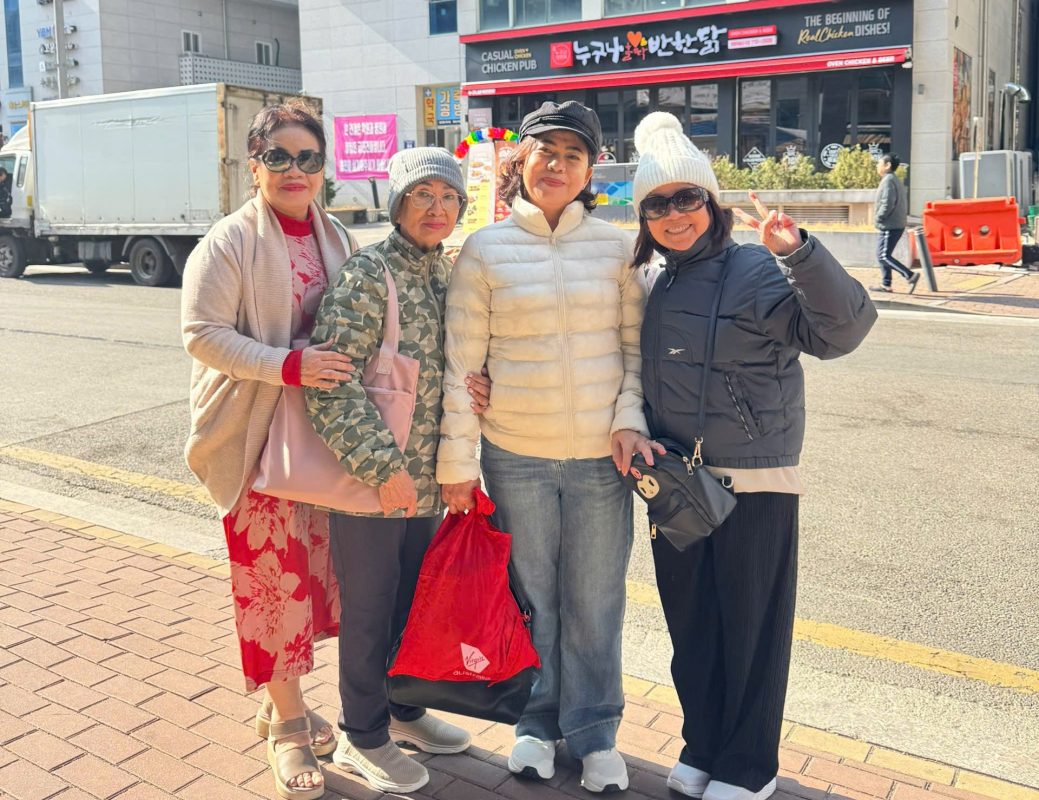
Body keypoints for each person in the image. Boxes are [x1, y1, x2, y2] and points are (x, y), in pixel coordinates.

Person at [630, 112, 877, 800]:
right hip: (676, 483)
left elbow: (842, 332)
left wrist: (798, 254)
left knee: (751, 629)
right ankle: (704, 746)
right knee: (693, 628)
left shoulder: (755, 268)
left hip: (756, 477)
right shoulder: (650, 279)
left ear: (710, 201)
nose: (674, 215)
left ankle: (749, 766)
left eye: (686, 197)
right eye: (656, 204)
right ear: (642, 216)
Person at [438, 101, 659, 794]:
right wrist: (457, 463)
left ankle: (594, 732)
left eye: (573, 154)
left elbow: (636, 352)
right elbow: (461, 365)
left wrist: (628, 418)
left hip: (600, 458)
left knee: (595, 600)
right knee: (530, 595)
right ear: (520, 162)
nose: (557, 165)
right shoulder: (485, 249)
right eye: (545, 151)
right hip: (515, 454)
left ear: (591, 170)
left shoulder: (618, 248)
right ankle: (534, 723)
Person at [182, 100, 358, 800]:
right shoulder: (228, 241)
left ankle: (283, 703)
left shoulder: (336, 236)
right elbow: (201, 334)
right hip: (254, 434)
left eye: (307, 157)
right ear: (253, 165)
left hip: (319, 437)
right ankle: (287, 726)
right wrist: (289, 365)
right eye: (278, 156)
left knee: (312, 579)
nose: (294, 169)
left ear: (322, 168)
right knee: (271, 581)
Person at [305, 147, 474, 795]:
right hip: (371, 482)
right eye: (422, 194)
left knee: (411, 603)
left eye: (449, 196)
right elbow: (330, 381)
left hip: (428, 481)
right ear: (399, 203)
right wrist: (380, 467)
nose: (437, 207)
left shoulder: (445, 273)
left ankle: (402, 709)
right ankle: (362, 731)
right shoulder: (369, 272)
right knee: (371, 609)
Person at [871, 153, 918, 294]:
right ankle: (886, 284)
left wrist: (879, 218)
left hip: (890, 224)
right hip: (894, 224)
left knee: (883, 255)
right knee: (883, 254)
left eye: (879, 163)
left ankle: (909, 275)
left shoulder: (888, 181)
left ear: (887, 165)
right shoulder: (892, 179)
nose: (877, 166)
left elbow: (887, 203)